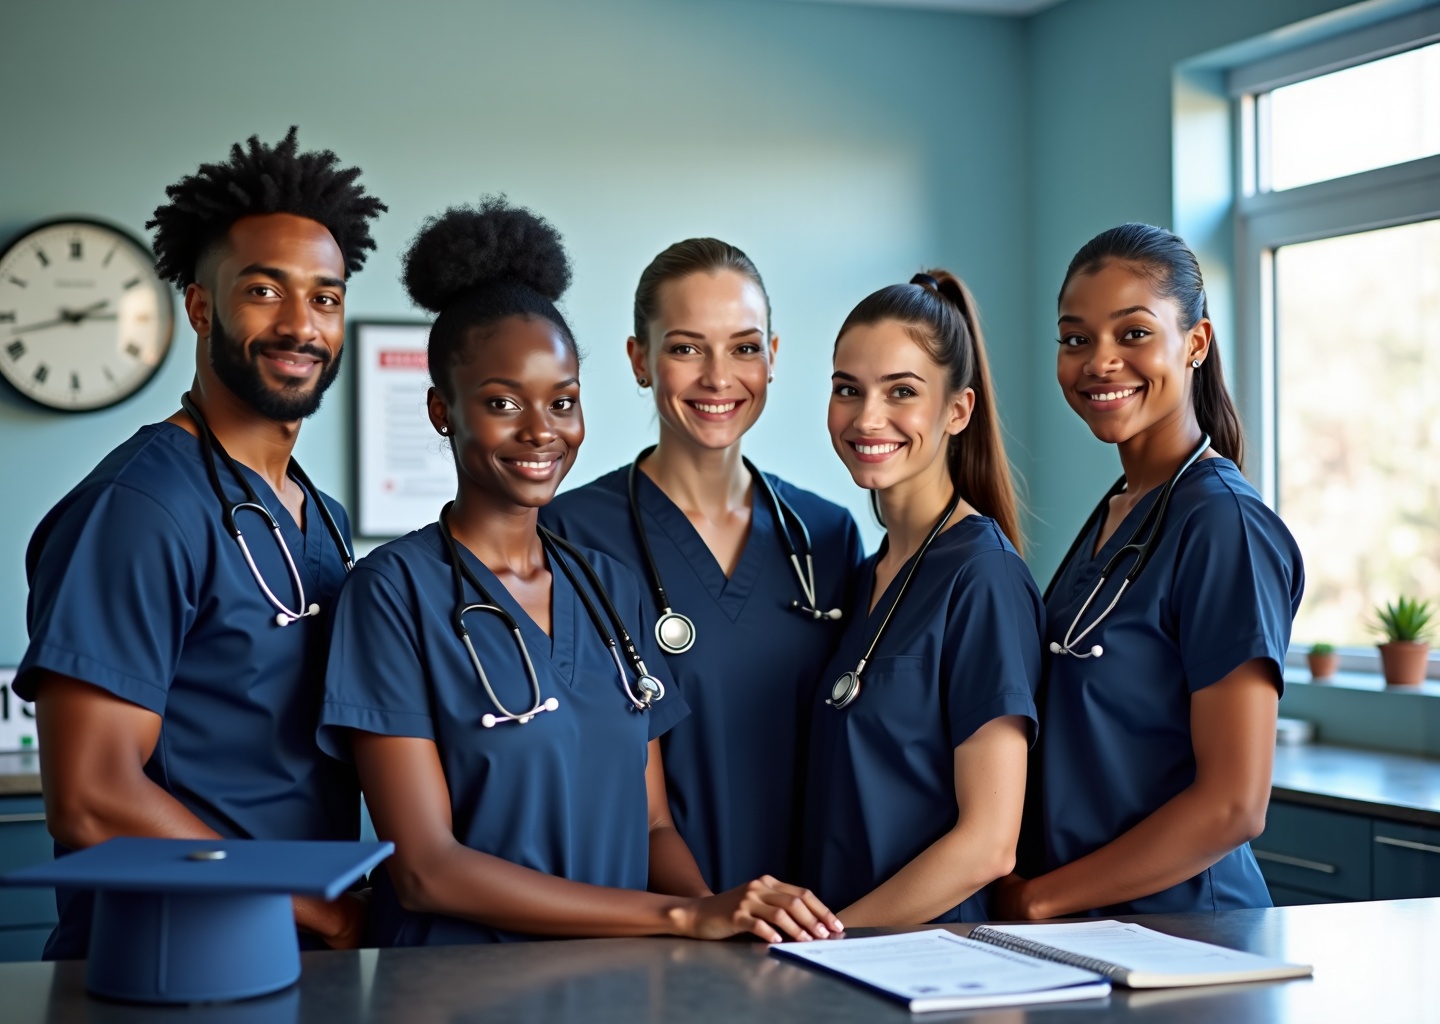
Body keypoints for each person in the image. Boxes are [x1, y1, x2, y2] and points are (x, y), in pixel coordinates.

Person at [319, 200, 841, 946]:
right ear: (443, 410)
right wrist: (683, 916)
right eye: (502, 403)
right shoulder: (393, 594)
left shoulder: (610, 589)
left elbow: (655, 824)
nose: (541, 431)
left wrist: (724, 922)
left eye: (561, 402)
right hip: (461, 991)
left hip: (617, 985)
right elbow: (425, 869)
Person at [16, 128, 386, 957]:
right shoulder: (139, 508)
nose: (301, 325)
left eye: (325, 298)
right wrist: (326, 910)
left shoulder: (315, 515)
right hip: (169, 958)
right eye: (264, 291)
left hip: (289, 957)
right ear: (200, 306)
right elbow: (92, 797)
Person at [997, 223, 1304, 920]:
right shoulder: (1124, 511)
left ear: (1195, 343)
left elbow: (1234, 804)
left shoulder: (1224, 525)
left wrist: (1039, 901)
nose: (1099, 361)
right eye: (1075, 339)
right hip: (1098, 930)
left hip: (1190, 934)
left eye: (1133, 333)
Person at [542, 239, 861, 890]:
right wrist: (704, 914)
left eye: (744, 348)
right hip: (644, 919)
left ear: (772, 359)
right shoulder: (569, 533)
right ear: (640, 360)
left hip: (814, 922)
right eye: (686, 348)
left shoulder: (827, 537)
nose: (719, 377)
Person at [802, 270, 1041, 926]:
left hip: (932, 963)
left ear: (957, 411)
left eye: (901, 392)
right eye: (847, 390)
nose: (866, 417)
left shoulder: (983, 578)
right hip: (846, 959)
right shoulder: (864, 574)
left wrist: (834, 937)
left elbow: (988, 845)